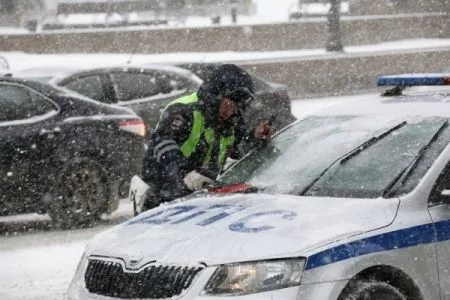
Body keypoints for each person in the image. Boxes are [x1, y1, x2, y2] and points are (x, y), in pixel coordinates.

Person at [138, 64, 272, 212]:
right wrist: (185, 173)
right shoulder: (184, 110)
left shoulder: (232, 121)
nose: (231, 110)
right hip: (163, 198)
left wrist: (254, 136)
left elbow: (238, 149)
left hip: (202, 200)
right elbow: (162, 142)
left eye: (237, 106)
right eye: (228, 103)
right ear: (215, 96)